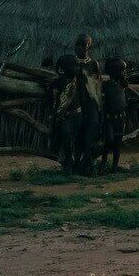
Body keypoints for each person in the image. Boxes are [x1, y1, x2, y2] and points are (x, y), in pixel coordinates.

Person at [52, 33, 103, 174]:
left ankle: (86, 164)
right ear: (76, 46)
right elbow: (58, 79)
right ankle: (70, 164)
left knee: (89, 135)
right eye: (82, 44)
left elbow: (97, 85)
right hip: (73, 103)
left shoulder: (93, 64)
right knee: (72, 135)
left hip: (90, 104)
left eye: (87, 44)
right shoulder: (69, 62)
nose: (84, 47)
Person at [100, 57, 130, 174]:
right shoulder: (106, 85)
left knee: (117, 144)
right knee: (109, 141)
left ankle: (114, 168)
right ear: (115, 72)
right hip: (109, 119)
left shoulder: (122, 85)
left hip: (121, 118)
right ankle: (102, 166)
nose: (125, 73)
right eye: (123, 71)